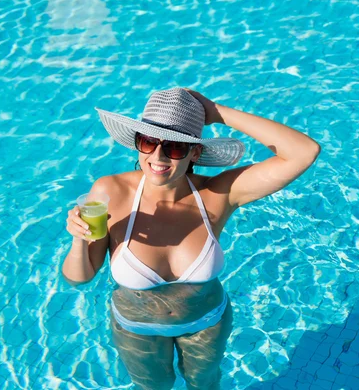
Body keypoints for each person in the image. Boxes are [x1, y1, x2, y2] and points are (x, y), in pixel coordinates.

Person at [62, 87, 320, 389]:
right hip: (137, 327)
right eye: (147, 141)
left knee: (205, 384)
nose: (157, 156)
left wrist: (217, 112)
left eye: (174, 147)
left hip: (206, 323)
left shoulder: (218, 194)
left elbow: (304, 152)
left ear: (195, 152)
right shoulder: (112, 191)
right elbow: (79, 279)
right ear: (137, 144)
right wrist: (79, 239)